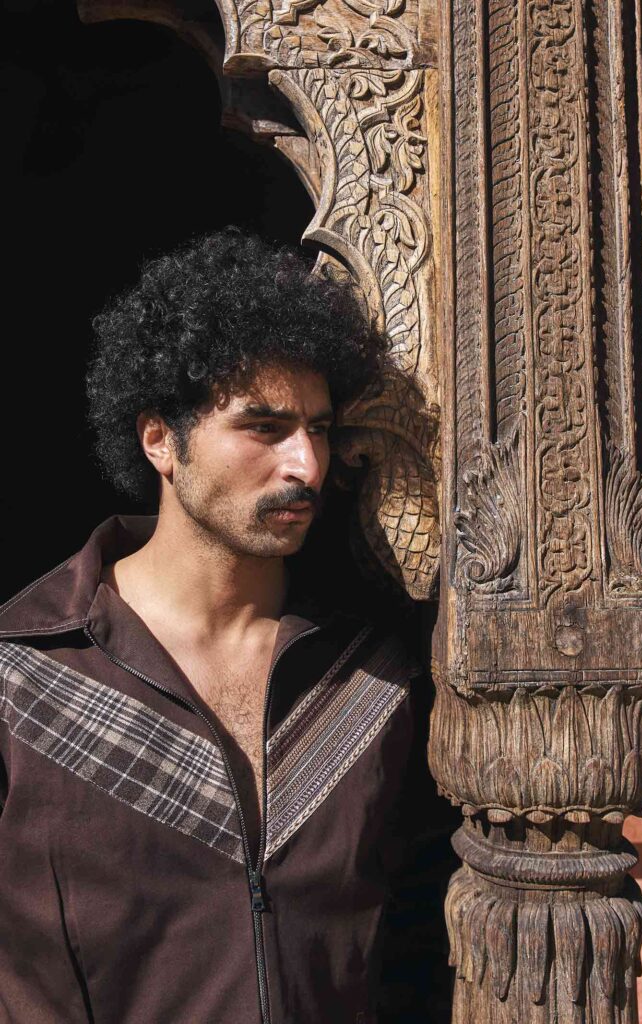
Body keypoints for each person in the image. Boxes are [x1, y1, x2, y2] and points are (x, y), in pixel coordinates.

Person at [0, 227, 421, 1024]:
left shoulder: (371, 682)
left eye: (320, 429)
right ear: (161, 439)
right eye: (263, 427)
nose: (305, 465)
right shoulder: (22, 677)